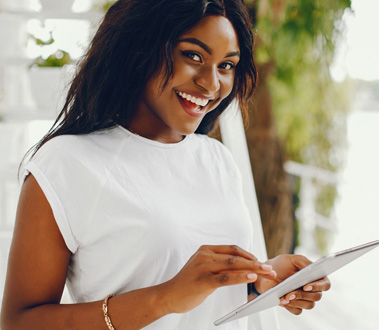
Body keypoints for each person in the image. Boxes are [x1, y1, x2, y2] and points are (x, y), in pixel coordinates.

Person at [1, 0, 331, 329]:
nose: (212, 83)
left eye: (226, 65)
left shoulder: (216, 159)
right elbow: (19, 322)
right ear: (139, 49)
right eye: (193, 56)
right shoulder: (66, 163)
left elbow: (199, 303)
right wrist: (165, 298)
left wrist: (259, 282)